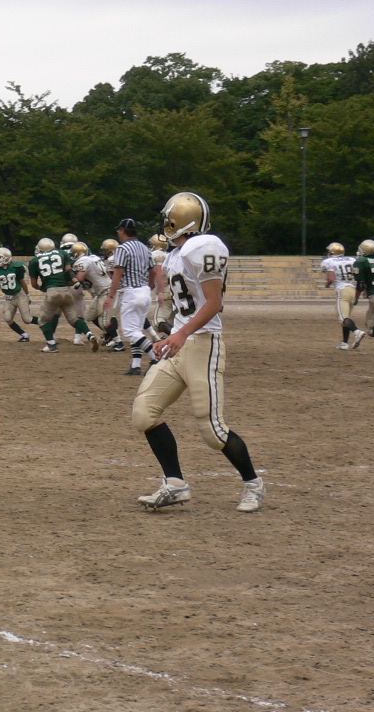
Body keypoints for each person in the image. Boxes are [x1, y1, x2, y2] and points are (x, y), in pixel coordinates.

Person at [132, 191, 264, 514]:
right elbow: (185, 303)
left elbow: (214, 304)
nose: (165, 223)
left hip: (203, 345)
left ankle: (253, 483)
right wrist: (171, 332)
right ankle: (175, 483)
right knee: (144, 413)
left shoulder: (204, 246)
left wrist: (181, 332)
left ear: (181, 220)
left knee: (213, 431)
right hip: (181, 345)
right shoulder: (177, 254)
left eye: (169, 217)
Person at [104, 218, 155, 374]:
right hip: (145, 291)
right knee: (137, 330)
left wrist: (110, 296)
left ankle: (156, 357)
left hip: (131, 292)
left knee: (130, 332)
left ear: (123, 231)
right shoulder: (145, 248)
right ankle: (136, 365)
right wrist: (149, 286)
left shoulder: (122, 248)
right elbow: (153, 271)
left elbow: (118, 273)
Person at [28, 237, 96, 353]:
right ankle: (89, 334)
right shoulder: (62, 253)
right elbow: (69, 271)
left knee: (43, 321)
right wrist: (74, 281)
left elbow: (34, 284)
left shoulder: (34, 261)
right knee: (74, 319)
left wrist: (42, 288)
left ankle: (51, 345)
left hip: (52, 292)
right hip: (66, 291)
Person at [0, 247, 33, 342]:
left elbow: (22, 282)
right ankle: (24, 335)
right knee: (8, 318)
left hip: (19, 295)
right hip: (8, 298)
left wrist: (27, 294)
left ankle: (46, 323)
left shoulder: (16, 267)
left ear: (6, 258)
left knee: (27, 319)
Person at [321, 242, 359, 349]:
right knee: (346, 318)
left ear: (332, 252)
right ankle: (345, 343)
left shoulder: (329, 261)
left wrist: (327, 284)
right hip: (353, 290)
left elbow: (331, 279)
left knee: (343, 318)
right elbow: (358, 275)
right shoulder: (352, 260)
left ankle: (357, 332)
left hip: (342, 290)